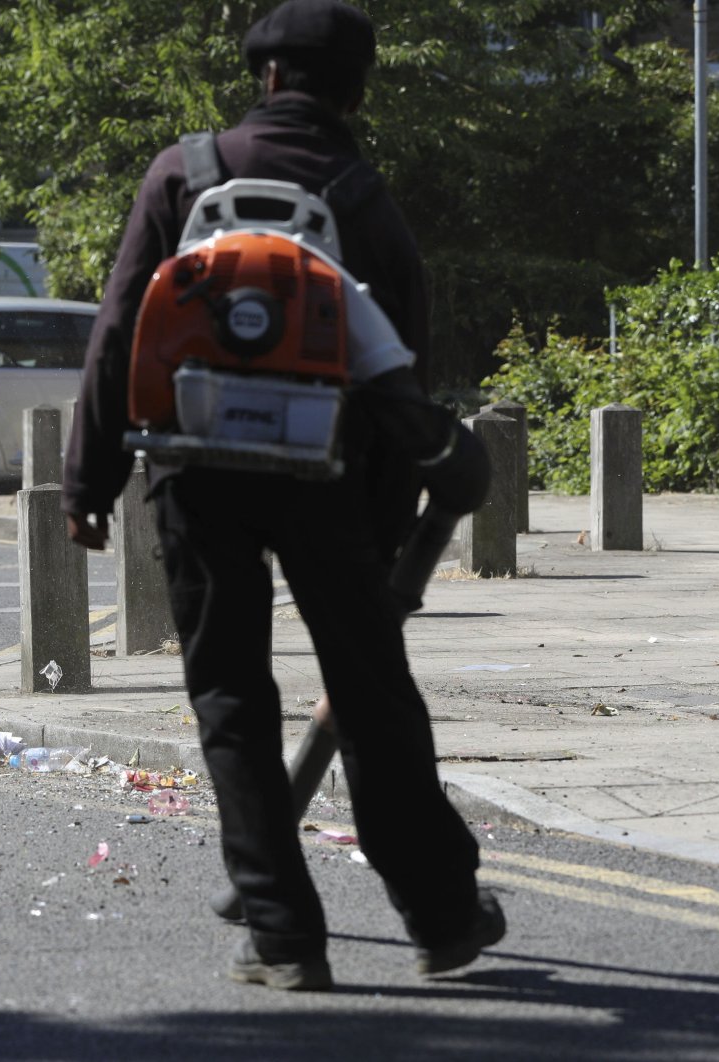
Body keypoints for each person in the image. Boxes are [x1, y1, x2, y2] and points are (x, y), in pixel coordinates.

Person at [63, 0, 503, 991]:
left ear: (263, 80)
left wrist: (87, 481)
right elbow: (401, 371)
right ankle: (439, 917)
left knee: (231, 699)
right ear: (355, 93)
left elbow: (121, 327)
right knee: (374, 699)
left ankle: (283, 934)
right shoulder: (360, 195)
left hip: (193, 469)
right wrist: (387, 534)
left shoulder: (185, 172)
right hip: (330, 477)